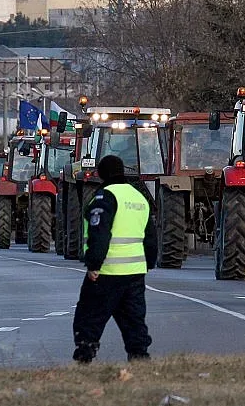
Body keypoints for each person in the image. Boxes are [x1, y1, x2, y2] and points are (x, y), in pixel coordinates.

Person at [72, 154, 158, 364]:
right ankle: (140, 357)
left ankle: (84, 356)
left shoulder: (105, 197)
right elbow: (150, 236)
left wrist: (94, 264)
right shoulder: (139, 197)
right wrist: (148, 263)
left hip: (107, 272)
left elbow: (100, 233)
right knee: (134, 319)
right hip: (135, 272)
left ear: (102, 174)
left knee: (90, 316)